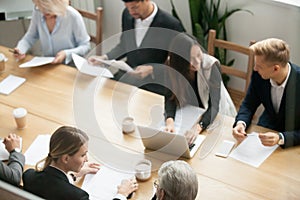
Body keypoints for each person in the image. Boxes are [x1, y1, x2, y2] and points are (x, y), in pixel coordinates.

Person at [89, 0, 184, 95]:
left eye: (134, 7)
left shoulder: (171, 24)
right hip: (128, 76)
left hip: (155, 84)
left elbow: (182, 62)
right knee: (101, 94)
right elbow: (124, 45)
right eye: (128, 7)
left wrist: (152, 69)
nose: (131, 12)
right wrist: (105, 58)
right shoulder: (127, 14)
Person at [22, 126, 138, 200]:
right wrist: (121, 194)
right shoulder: (78, 196)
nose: (86, 159)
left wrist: (72, 175)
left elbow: (52, 186)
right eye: (83, 155)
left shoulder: (29, 176)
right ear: (65, 159)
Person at [165, 33, 236, 144]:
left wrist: (198, 127)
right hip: (189, 112)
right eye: (191, 59)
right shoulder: (172, 65)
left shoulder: (212, 66)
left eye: (199, 55)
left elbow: (214, 106)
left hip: (215, 115)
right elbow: (170, 96)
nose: (197, 62)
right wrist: (169, 121)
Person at [232, 38, 300, 148]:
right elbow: (249, 103)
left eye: (259, 66)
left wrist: (281, 138)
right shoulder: (259, 76)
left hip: (293, 139)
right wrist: (241, 123)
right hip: (265, 129)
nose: (254, 69)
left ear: (276, 69)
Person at [14, 0, 90, 65]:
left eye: (47, 8)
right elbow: (30, 37)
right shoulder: (38, 12)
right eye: (39, 7)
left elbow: (86, 46)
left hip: (69, 67)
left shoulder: (73, 16)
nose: (43, 11)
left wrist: (66, 54)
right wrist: (20, 49)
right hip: (47, 65)